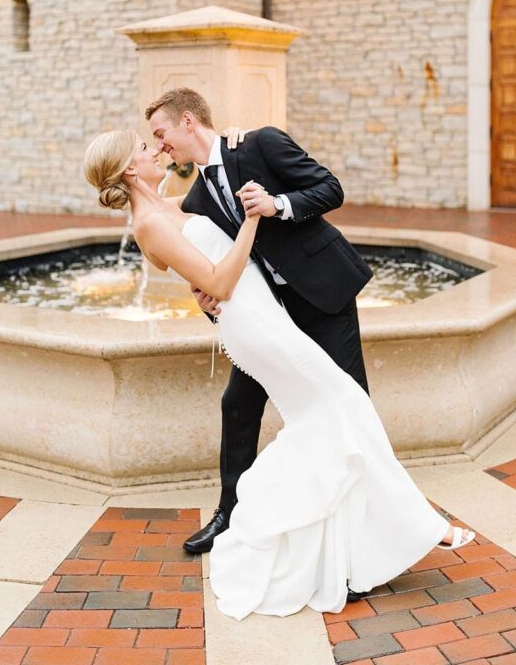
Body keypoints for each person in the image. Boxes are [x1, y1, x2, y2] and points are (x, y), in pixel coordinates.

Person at [84, 126, 475, 621]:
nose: (155, 149)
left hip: (267, 315)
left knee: (333, 415)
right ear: (128, 170)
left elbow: (205, 241)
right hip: (255, 326)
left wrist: (238, 167)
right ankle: (418, 526)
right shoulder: (148, 223)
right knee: (341, 407)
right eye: (144, 148)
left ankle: (314, 533)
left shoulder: (173, 204)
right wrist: (248, 224)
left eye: (156, 139)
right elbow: (219, 281)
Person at [144, 88, 372, 560]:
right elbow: (218, 264)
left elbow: (331, 189)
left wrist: (277, 205)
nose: (161, 146)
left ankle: (362, 532)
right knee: (238, 405)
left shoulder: (260, 144)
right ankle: (229, 515)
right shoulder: (195, 197)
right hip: (269, 315)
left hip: (323, 295)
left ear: (189, 121)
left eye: (162, 134)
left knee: (350, 405)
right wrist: (205, 297)